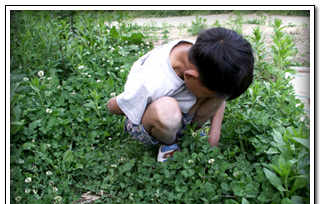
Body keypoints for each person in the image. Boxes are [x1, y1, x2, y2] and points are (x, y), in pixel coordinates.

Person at [107, 27, 254, 162]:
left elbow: (220, 94)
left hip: (184, 111)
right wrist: (129, 100)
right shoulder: (152, 80)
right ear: (190, 77)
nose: (215, 98)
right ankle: (169, 144)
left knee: (218, 91)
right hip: (151, 121)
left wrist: (214, 135)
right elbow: (113, 106)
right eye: (211, 95)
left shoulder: (206, 56)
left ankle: (191, 132)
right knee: (167, 109)